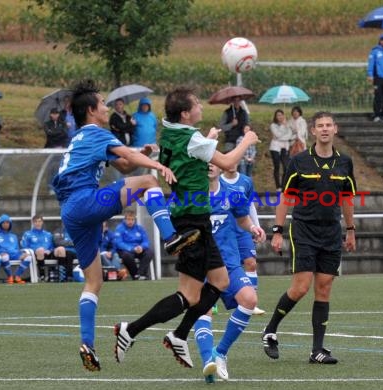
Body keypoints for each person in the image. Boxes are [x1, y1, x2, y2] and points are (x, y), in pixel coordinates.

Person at [52, 79, 199, 372]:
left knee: (94, 281)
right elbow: (128, 160)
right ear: (92, 111)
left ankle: (87, 345)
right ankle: (171, 237)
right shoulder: (96, 133)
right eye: (103, 103)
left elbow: (123, 165)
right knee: (148, 182)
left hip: (71, 211)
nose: (106, 107)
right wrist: (156, 166)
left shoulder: (81, 137)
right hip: (85, 201)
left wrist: (141, 155)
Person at [113, 86, 259, 369]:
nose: (201, 108)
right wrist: (247, 140)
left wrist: (208, 139)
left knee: (220, 282)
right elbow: (228, 162)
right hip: (191, 221)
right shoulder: (191, 137)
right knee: (189, 295)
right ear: (185, 113)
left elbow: (189, 149)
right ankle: (130, 330)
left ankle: (179, 335)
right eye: (196, 105)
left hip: (194, 218)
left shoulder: (169, 129)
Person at [262, 111, 357, 364]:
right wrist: (277, 231)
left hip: (331, 232)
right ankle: (270, 330)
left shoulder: (345, 162)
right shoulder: (299, 161)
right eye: (320, 126)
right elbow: (285, 198)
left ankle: (317, 350)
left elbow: (347, 199)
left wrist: (350, 230)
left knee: (324, 288)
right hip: (304, 230)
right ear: (312, 131)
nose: (325, 129)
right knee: (301, 287)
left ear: (335, 129)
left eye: (329, 125)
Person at [194, 163, 266, 383]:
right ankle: (208, 360)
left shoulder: (232, 195)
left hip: (230, 264)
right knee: (203, 310)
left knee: (249, 299)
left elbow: (243, 219)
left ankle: (220, 352)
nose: (210, 166)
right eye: (206, 162)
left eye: (214, 162)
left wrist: (253, 228)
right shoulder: (191, 196)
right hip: (200, 266)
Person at [220, 162, 265, 315]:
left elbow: (250, 205)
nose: (232, 163)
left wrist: (256, 227)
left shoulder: (246, 181)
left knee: (251, 263)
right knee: (220, 268)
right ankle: (211, 302)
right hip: (225, 231)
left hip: (243, 229)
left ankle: (252, 303)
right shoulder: (216, 182)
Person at [114, 210, 154, 281]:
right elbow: (119, 243)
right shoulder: (119, 228)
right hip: (126, 250)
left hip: (139, 249)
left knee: (149, 252)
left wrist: (141, 247)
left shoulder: (139, 228)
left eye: (132, 219)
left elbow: (146, 241)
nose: (130, 221)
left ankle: (140, 274)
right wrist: (132, 249)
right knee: (126, 256)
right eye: (128, 219)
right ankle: (135, 275)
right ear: (125, 219)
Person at [0, 214, 31, 284]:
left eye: (7, 222)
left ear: (10, 224)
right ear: (0, 224)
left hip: (14, 254)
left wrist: (21, 254)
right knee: (5, 256)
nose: (5, 224)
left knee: (28, 257)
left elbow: (17, 248)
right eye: (3, 223)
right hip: (4, 254)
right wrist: (0, 252)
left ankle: (17, 276)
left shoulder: (14, 236)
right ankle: (10, 276)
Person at [21, 215, 54, 281]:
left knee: (61, 251)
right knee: (40, 250)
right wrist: (33, 251)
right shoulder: (27, 234)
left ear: (42, 222)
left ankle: (59, 277)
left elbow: (52, 246)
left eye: (39, 221)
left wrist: (49, 250)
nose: (38, 223)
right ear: (33, 223)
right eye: (36, 222)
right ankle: (42, 276)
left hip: (47, 254)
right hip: (34, 254)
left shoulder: (48, 234)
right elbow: (24, 246)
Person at [269, 109, 292, 191]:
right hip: (275, 148)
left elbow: (289, 136)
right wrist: (283, 133)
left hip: (285, 147)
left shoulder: (287, 125)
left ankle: (283, 186)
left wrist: (285, 127)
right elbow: (277, 134)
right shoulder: (273, 125)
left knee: (286, 167)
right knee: (277, 166)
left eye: (281, 115)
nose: (280, 117)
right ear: (275, 116)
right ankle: (278, 186)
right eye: (278, 115)